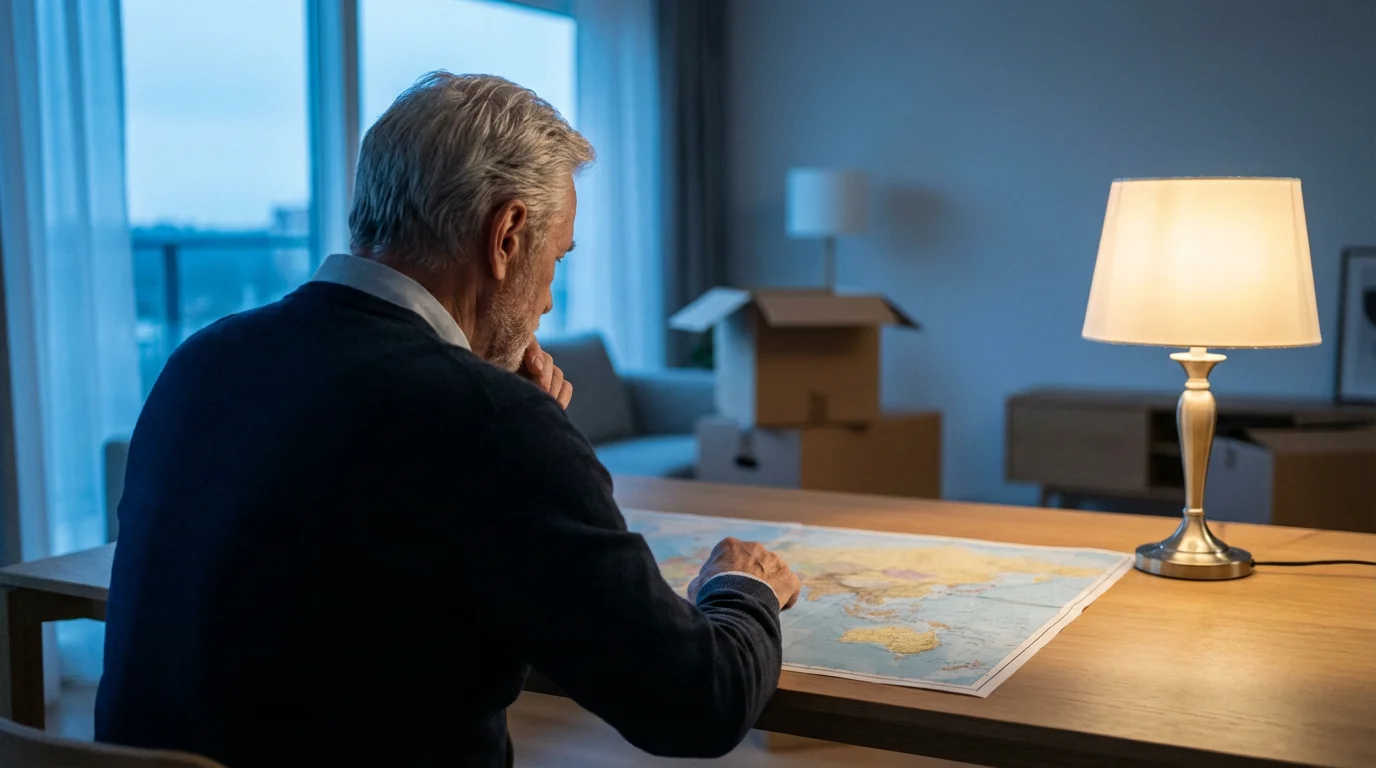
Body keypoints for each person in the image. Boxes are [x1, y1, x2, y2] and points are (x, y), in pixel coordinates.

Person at [95, 72, 802, 767]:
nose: (548, 303)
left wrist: (511, 424)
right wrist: (741, 586)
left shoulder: (203, 360)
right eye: (555, 262)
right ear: (507, 236)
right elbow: (697, 705)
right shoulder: (489, 424)